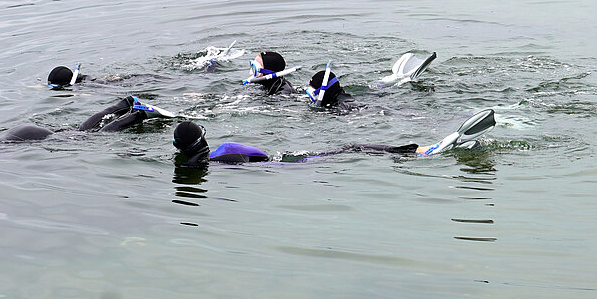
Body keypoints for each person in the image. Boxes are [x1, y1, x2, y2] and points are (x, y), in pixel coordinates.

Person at [172, 110, 495, 166]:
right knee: (353, 146)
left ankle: (416, 151)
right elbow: (260, 156)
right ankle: (418, 151)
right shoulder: (225, 151)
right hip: (291, 164)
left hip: (282, 168)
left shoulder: (196, 164)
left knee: (351, 148)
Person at [0, 95, 175, 147]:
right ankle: (123, 104)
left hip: (26, 138)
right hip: (21, 130)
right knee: (81, 130)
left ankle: (139, 114)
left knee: (92, 137)